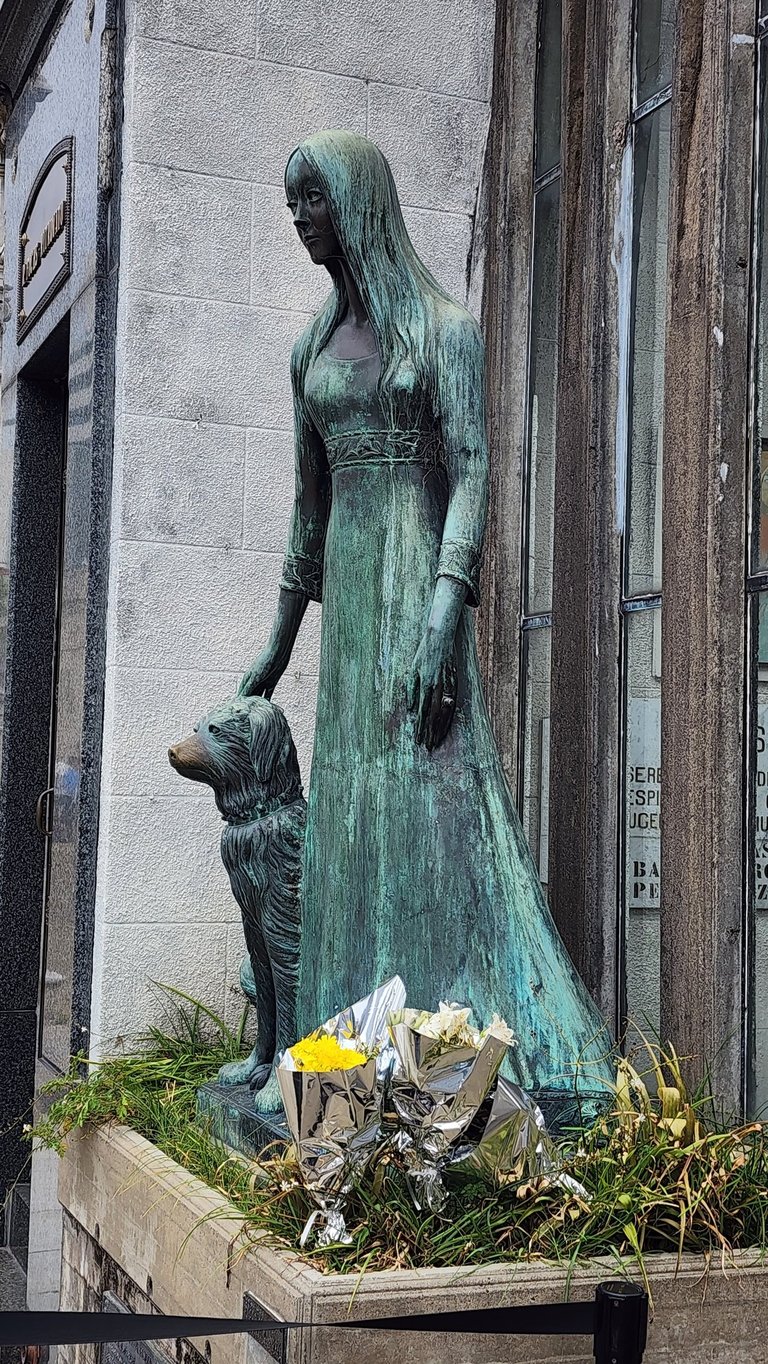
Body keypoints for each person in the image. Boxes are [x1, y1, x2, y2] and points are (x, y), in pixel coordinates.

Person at [239, 129, 612, 1110]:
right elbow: (305, 508)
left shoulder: (445, 329)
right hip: (352, 603)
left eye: (310, 201)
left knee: (432, 809)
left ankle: (450, 1046)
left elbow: (476, 468)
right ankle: (347, 1067)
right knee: (354, 820)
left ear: (355, 205)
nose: (299, 221)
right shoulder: (308, 349)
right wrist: (277, 646)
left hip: (415, 582)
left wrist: (448, 605)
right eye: (291, 204)